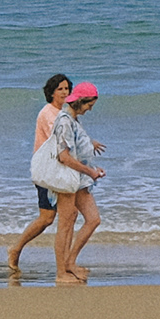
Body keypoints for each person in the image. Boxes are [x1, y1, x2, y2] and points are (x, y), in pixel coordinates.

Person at [6, 76, 75, 283]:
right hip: (47, 171)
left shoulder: (64, 113)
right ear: (51, 92)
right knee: (48, 217)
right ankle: (17, 249)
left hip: (61, 170)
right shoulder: (48, 113)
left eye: (67, 88)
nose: (64, 92)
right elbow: (62, 141)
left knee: (65, 216)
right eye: (60, 89)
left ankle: (67, 265)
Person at [48, 80, 106, 285]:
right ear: (80, 101)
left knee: (93, 219)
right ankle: (61, 273)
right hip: (66, 178)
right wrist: (90, 171)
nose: (90, 109)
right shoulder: (64, 121)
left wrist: (92, 165)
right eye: (89, 104)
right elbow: (64, 157)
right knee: (65, 223)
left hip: (79, 179)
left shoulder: (73, 120)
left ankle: (70, 262)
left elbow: (76, 149)